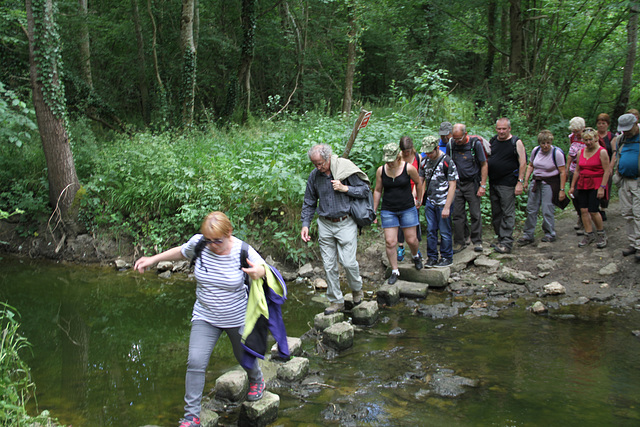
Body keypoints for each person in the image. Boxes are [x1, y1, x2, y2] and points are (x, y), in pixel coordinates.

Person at [133, 211, 267, 427]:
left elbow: (264, 269)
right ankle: (191, 416)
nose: (212, 245)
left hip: (236, 316)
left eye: (217, 240)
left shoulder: (242, 250)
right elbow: (180, 252)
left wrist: (258, 272)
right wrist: (153, 259)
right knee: (195, 361)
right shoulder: (199, 244)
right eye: (208, 240)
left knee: (244, 357)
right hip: (205, 315)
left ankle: (256, 379)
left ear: (229, 232)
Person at [301, 144, 367, 315]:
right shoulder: (314, 176)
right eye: (315, 164)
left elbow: (364, 190)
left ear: (328, 157)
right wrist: (305, 224)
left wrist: (345, 188)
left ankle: (357, 291)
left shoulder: (345, 169)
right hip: (325, 223)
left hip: (345, 222)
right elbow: (309, 201)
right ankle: (336, 301)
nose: (318, 167)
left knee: (348, 262)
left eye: (321, 163)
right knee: (329, 265)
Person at [373, 141, 423, 284]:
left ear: (398, 157)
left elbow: (418, 183)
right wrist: (374, 210)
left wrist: (418, 199)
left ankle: (415, 255)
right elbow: (377, 190)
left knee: (411, 239)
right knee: (390, 242)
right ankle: (395, 270)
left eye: (391, 160)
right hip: (389, 210)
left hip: (407, 207)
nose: (389, 163)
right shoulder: (381, 171)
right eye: (387, 160)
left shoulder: (408, 168)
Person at [517, 130, 567, 246]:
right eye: (543, 143)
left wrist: (562, 189)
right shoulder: (536, 151)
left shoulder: (557, 153)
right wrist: (526, 181)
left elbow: (562, 172)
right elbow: (531, 165)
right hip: (536, 182)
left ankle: (550, 233)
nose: (545, 146)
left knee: (547, 209)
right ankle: (528, 235)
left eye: (548, 143)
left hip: (550, 183)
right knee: (531, 209)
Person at [487, 118, 527, 254]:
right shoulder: (493, 141)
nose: (501, 131)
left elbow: (523, 163)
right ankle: (500, 238)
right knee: (496, 212)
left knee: (507, 213)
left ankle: (507, 242)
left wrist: (520, 182)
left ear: (509, 128)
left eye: (504, 129)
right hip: (494, 182)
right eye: (499, 128)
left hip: (509, 183)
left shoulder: (515, 142)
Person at [447, 123, 488, 253]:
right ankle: (460, 241)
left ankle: (477, 241)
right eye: (455, 138)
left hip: (472, 183)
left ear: (465, 134)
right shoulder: (451, 145)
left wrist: (483, 184)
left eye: (459, 138)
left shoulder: (475, 144)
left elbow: (483, 164)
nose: (457, 141)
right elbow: (447, 163)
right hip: (457, 184)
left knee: (475, 212)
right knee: (458, 214)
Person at [418, 136, 458, 267]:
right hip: (430, 201)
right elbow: (420, 181)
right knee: (431, 230)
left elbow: (453, 185)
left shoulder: (447, 161)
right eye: (427, 152)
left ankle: (447, 257)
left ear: (437, 148)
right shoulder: (424, 162)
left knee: (445, 231)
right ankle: (432, 257)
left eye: (431, 152)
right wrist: (418, 198)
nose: (429, 154)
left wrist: (447, 206)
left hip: (443, 201)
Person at [569, 128, 610, 248]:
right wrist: (572, 186)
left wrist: (602, 187)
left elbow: (607, 170)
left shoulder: (602, 152)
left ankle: (601, 233)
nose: (588, 142)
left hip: (596, 183)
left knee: (593, 210)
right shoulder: (580, 152)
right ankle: (588, 233)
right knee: (583, 210)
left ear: (596, 139)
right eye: (585, 140)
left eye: (590, 139)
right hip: (583, 183)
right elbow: (577, 171)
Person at [612, 113, 640, 259]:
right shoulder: (621, 139)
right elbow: (618, 157)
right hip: (624, 181)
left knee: (638, 214)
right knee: (627, 213)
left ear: (636, 123)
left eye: (628, 129)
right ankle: (633, 243)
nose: (626, 132)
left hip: (638, 181)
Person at [395, 136, 423, 262]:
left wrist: (417, 195)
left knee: (413, 221)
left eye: (408, 151)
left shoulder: (418, 157)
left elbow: (421, 178)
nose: (407, 153)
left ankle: (415, 247)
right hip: (401, 191)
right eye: (405, 151)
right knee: (400, 220)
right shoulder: (397, 157)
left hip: (415, 190)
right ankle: (400, 246)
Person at [566, 117, 587, 234]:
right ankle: (579, 215)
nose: (576, 134)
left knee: (581, 194)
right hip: (574, 169)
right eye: (574, 131)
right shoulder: (572, 137)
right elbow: (570, 153)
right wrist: (567, 168)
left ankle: (585, 220)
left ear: (583, 128)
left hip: (585, 170)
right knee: (573, 194)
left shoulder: (589, 137)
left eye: (578, 131)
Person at [596, 113, 615, 220]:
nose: (601, 125)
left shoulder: (611, 137)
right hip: (595, 166)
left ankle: (603, 208)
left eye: (603, 123)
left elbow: (614, 153)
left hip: (606, 166)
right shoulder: (593, 135)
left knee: (606, 187)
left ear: (607, 124)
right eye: (599, 123)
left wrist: (611, 167)